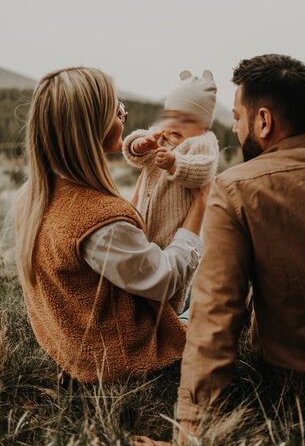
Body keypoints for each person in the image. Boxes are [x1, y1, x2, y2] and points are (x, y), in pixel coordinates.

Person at [135, 53, 305, 446]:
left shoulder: (237, 188)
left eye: (237, 118)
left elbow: (217, 312)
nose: (235, 129)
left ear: (263, 121)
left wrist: (192, 434)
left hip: (302, 386)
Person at [14, 67, 209, 383]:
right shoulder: (99, 223)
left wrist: (148, 178)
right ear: (90, 126)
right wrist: (200, 202)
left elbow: (121, 221)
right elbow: (166, 280)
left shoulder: (40, 196)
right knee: (225, 287)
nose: (124, 112)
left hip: (74, 347)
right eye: (114, 108)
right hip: (125, 357)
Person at [123, 70, 219, 312]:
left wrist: (175, 163)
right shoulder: (160, 133)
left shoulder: (202, 142)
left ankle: (174, 319)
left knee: (171, 287)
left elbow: (204, 169)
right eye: (172, 116)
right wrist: (138, 145)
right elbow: (136, 155)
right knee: (141, 277)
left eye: (187, 120)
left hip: (175, 233)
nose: (176, 124)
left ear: (203, 124)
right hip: (145, 228)